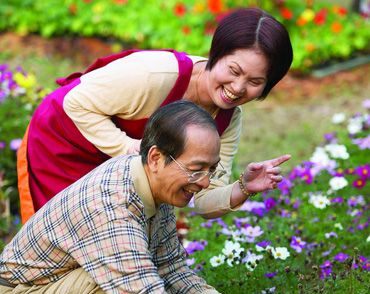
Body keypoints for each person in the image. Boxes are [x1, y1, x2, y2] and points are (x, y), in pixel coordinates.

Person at [1, 101, 290, 294]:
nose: (204, 182)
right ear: (155, 157)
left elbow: (170, 268)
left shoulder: (150, 183)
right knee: (106, 288)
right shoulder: (111, 206)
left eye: (210, 170)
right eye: (196, 169)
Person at [17, 7, 293, 223]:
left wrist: (243, 187)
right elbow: (75, 103)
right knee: (59, 239)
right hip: (64, 140)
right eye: (233, 71)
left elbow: (205, 199)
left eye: (255, 82)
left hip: (119, 164)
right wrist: (132, 152)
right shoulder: (156, 75)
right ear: (216, 54)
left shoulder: (228, 120)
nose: (237, 88)